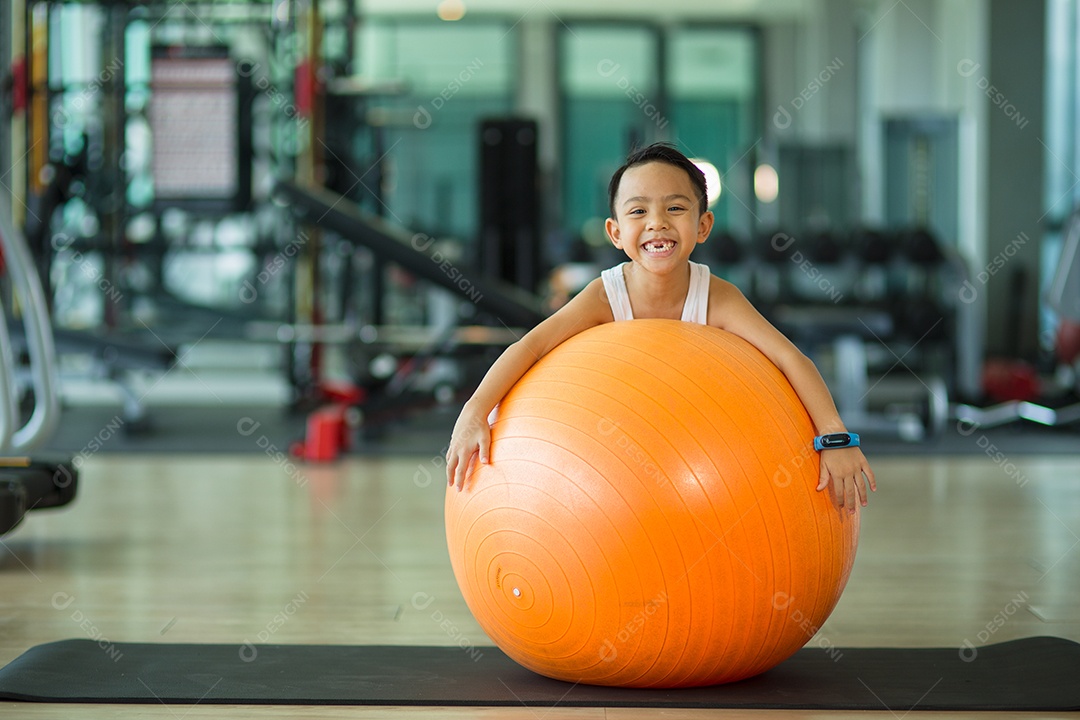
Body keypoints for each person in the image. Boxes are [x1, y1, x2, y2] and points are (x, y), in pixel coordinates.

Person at [446, 142, 875, 511]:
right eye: (639, 211)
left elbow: (788, 357)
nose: (657, 222)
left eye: (675, 208)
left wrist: (835, 438)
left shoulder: (717, 297)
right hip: (613, 467)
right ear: (615, 232)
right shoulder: (604, 296)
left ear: (702, 225)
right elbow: (532, 347)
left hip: (700, 462)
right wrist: (474, 412)